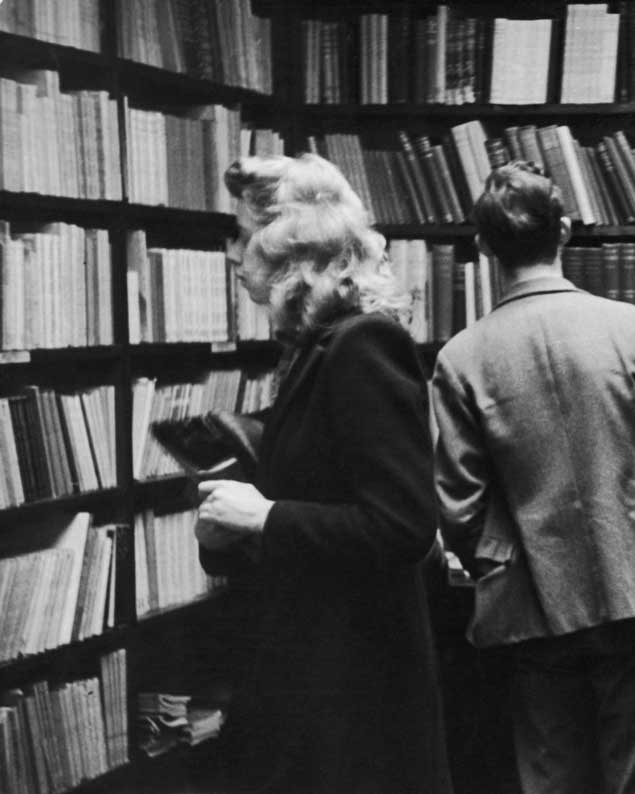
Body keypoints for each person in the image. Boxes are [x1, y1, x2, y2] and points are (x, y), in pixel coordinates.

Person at [431, 161, 635, 794]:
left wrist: (507, 568)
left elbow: (458, 511)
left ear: (484, 248)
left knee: (553, 780)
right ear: (563, 230)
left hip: (532, 605)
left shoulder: (460, 358)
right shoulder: (632, 329)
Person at [194, 153, 454, 794]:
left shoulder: (363, 345)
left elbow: (403, 525)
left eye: (243, 233)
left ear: (289, 249)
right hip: (315, 678)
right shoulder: (314, 349)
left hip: (353, 692)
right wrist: (232, 532)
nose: (233, 251)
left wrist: (265, 515)